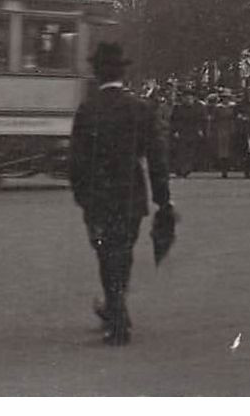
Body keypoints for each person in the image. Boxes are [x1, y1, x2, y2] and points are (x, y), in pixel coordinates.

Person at [69, 44, 172, 345]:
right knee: (123, 252)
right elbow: (157, 157)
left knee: (105, 254)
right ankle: (117, 309)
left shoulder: (88, 109)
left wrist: (82, 197)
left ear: (97, 73)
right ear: (123, 74)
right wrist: (163, 198)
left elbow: (76, 161)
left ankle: (116, 314)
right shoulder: (140, 109)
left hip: (98, 196)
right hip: (131, 194)